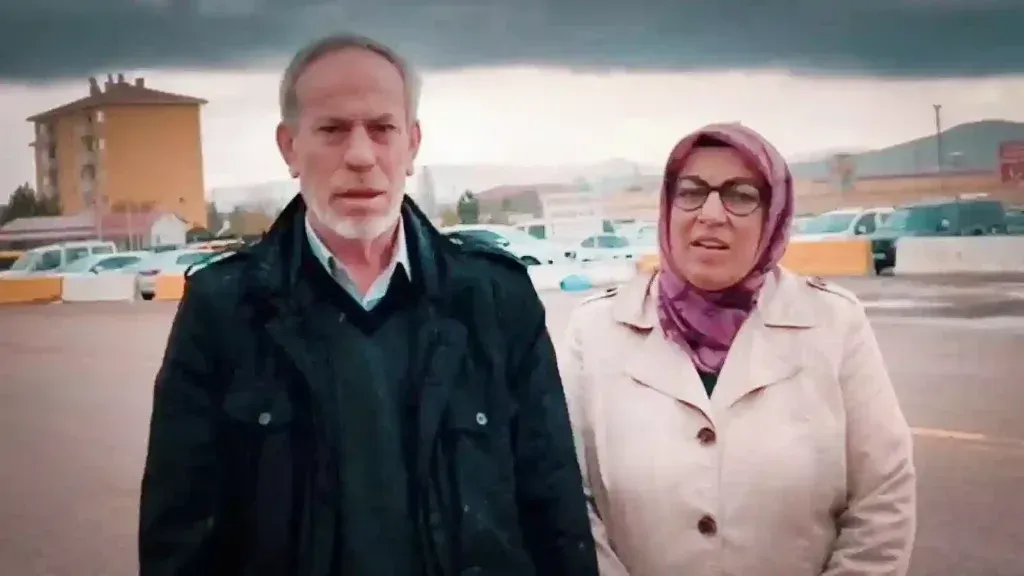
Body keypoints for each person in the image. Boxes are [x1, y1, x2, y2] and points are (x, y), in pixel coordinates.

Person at [138, 33, 598, 576]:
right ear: (289, 147)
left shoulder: (497, 301)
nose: (360, 156)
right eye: (332, 130)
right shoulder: (223, 311)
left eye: (382, 129)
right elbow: (180, 540)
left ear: (413, 144)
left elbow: (555, 517)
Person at [559, 123, 916, 576]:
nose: (711, 214)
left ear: (773, 215)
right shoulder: (596, 331)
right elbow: (568, 501)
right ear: (667, 207)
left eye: (740, 195)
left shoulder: (833, 323)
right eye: (692, 192)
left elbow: (883, 498)